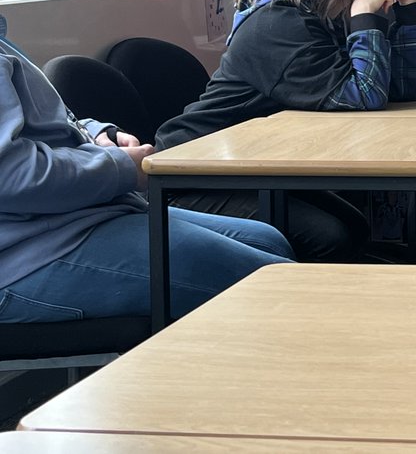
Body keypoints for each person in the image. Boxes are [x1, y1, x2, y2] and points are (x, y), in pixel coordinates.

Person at [156, 0, 416, 261]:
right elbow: (365, 96)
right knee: (330, 237)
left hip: (255, 165)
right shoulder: (279, 22)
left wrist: (409, 5)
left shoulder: (329, 9)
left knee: (353, 225)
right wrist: (366, 16)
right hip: (196, 174)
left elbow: (405, 89)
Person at [0, 29, 293, 323]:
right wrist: (123, 168)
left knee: (267, 241)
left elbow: (42, 124)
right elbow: (11, 175)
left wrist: (99, 133)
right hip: (28, 253)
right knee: (280, 288)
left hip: (68, 220)